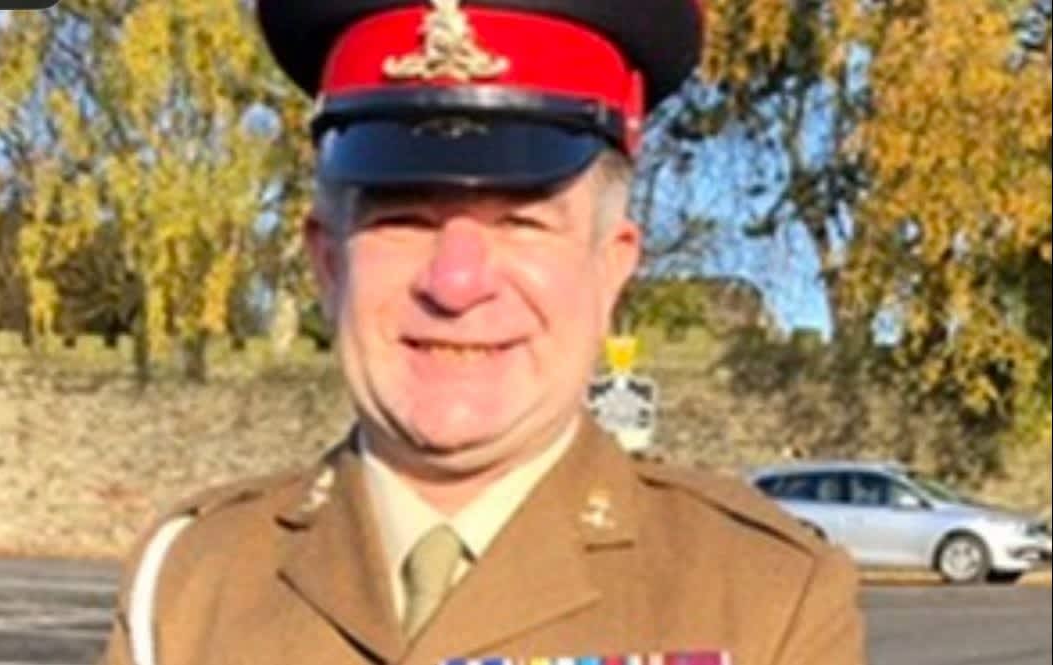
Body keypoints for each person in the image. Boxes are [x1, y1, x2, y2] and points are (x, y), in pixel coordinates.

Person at [99, 1, 867, 664]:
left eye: (522, 222)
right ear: (328, 264)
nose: (456, 282)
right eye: (403, 219)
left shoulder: (765, 598)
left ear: (610, 267)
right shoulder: (190, 580)